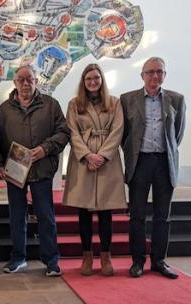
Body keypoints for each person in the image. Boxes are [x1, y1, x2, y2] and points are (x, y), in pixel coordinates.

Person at [0, 65, 70, 276]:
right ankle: (18, 258)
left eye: (30, 79)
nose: (26, 84)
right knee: (16, 216)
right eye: (21, 80)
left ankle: (51, 260)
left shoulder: (51, 105)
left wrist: (45, 149)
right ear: (15, 82)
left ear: (37, 81)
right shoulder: (3, 110)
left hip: (42, 168)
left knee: (46, 216)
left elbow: (63, 132)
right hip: (14, 171)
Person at [120, 57, 186, 279]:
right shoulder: (127, 99)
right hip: (140, 163)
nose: (155, 76)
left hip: (164, 163)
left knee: (162, 216)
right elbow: (125, 135)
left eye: (159, 72)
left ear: (165, 75)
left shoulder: (177, 100)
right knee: (137, 215)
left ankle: (159, 261)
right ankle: (137, 261)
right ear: (142, 75)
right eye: (150, 72)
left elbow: (177, 135)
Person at [62, 64, 127, 276]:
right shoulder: (74, 104)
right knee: (84, 211)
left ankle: (106, 257)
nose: (93, 81)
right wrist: (88, 155)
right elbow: (72, 132)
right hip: (83, 161)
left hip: (107, 160)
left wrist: (102, 155)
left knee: (106, 211)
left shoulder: (114, 102)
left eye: (96, 78)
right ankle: (87, 256)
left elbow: (118, 130)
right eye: (89, 78)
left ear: (102, 80)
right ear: (83, 81)